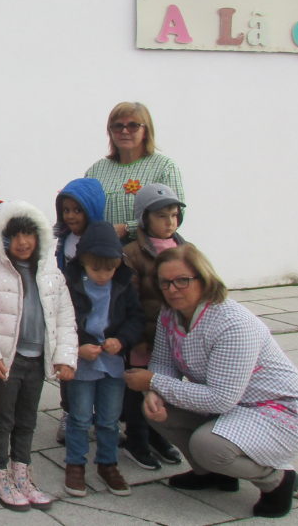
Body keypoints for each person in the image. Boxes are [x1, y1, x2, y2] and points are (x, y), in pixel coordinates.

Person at [124, 244, 298, 519]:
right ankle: (212, 474)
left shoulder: (232, 324)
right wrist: (154, 391)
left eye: (182, 280)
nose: (173, 289)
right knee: (155, 411)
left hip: (278, 412)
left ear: (204, 278)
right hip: (232, 407)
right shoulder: (170, 314)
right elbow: (164, 363)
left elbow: (221, 398)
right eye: (165, 283)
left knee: (208, 446)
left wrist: (153, 382)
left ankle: (277, 480)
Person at [0, 201, 77, 512]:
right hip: (4, 361)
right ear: (4, 238)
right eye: (16, 236)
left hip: (36, 359)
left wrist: (65, 356)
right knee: (3, 419)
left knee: (27, 419)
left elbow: (65, 316)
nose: (23, 242)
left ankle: (21, 471)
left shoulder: (51, 274)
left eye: (29, 234)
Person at [62, 221, 143, 498]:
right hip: (83, 363)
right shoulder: (70, 283)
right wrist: (79, 345)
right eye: (96, 268)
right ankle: (75, 464)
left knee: (109, 420)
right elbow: (63, 320)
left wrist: (121, 340)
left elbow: (136, 318)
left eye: (109, 268)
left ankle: (107, 464)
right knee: (80, 417)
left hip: (112, 363)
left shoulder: (122, 284)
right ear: (83, 261)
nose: (103, 275)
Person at [121, 182, 188, 470]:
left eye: (174, 215)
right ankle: (136, 440)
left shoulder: (185, 250)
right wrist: (136, 336)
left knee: (166, 390)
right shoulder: (133, 253)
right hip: (144, 338)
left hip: (175, 340)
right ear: (144, 219)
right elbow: (129, 302)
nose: (169, 222)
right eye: (162, 216)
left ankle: (158, 436)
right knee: (138, 391)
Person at [52, 176, 106, 443]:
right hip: (70, 309)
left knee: (99, 361)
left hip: (98, 310)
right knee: (68, 358)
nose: (71, 216)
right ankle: (70, 411)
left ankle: (101, 412)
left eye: (77, 210)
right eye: (66, 210)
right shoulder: (65, 238)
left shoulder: (100, 237)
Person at [85, 102, 184, 242]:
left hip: (147, 254)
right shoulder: (96, 171)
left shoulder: (165, 167)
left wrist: (127, 228)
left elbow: (177, 214)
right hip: (105, 255)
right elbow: (84, 212)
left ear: (146, 131)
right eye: (118, 126)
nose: (124, 131)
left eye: (133, 126)